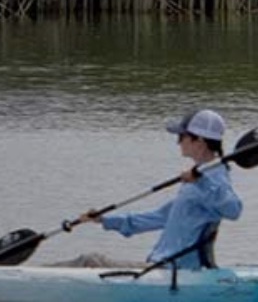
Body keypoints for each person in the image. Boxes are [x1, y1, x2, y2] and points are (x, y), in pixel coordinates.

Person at [56, 109, 243, 270]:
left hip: (175, 270)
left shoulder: (214, 176)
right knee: (89, 261)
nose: (178, 142)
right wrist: (104, 220)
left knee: (90, 261)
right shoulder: (199, 176)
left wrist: (201, 181)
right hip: (162, 267)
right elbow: (158, 218)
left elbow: (234, 210)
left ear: (199, 141)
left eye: (181, 137)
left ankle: (37, 280)